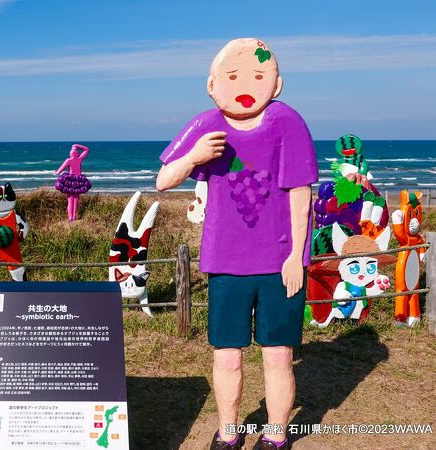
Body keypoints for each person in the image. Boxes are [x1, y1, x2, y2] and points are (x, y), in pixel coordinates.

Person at [156, 38, 318, 450]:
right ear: (213, 85)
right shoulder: (206, 125)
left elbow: (301, 197)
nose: (245, 85)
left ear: (276, 84)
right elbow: (163, 180)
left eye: (259, 76)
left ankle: (276, 433)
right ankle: (229, 431)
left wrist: (297, 257)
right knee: (226, 354)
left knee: (278, 354)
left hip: (280, 263)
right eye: (232, 77)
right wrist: (194, 156)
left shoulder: (287, 122)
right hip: (225, 263)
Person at [55, 144, 92, 221]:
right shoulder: (79, 159)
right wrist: (78, 146)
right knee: (75, 199)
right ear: (77, 153)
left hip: (70, 180)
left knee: (70, 199)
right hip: (78, 180)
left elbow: (59, 170)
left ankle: (70, 217)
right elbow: (87, 150)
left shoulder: (69, 160)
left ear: (71, 154)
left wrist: (57, 172)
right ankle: (73, 217)